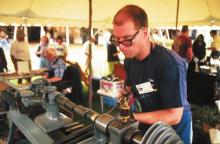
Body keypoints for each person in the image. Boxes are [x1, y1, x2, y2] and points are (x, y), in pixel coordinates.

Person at [110, 5, 192, 144]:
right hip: (148, 121)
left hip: (175, 129)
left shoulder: (169, 63)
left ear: (145, 33)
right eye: (117, 39)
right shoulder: (129, 60)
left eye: (127, 39)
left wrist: (132, 116)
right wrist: (124, 94)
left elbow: (174, 115)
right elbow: (131, 88)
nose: (121, 46)